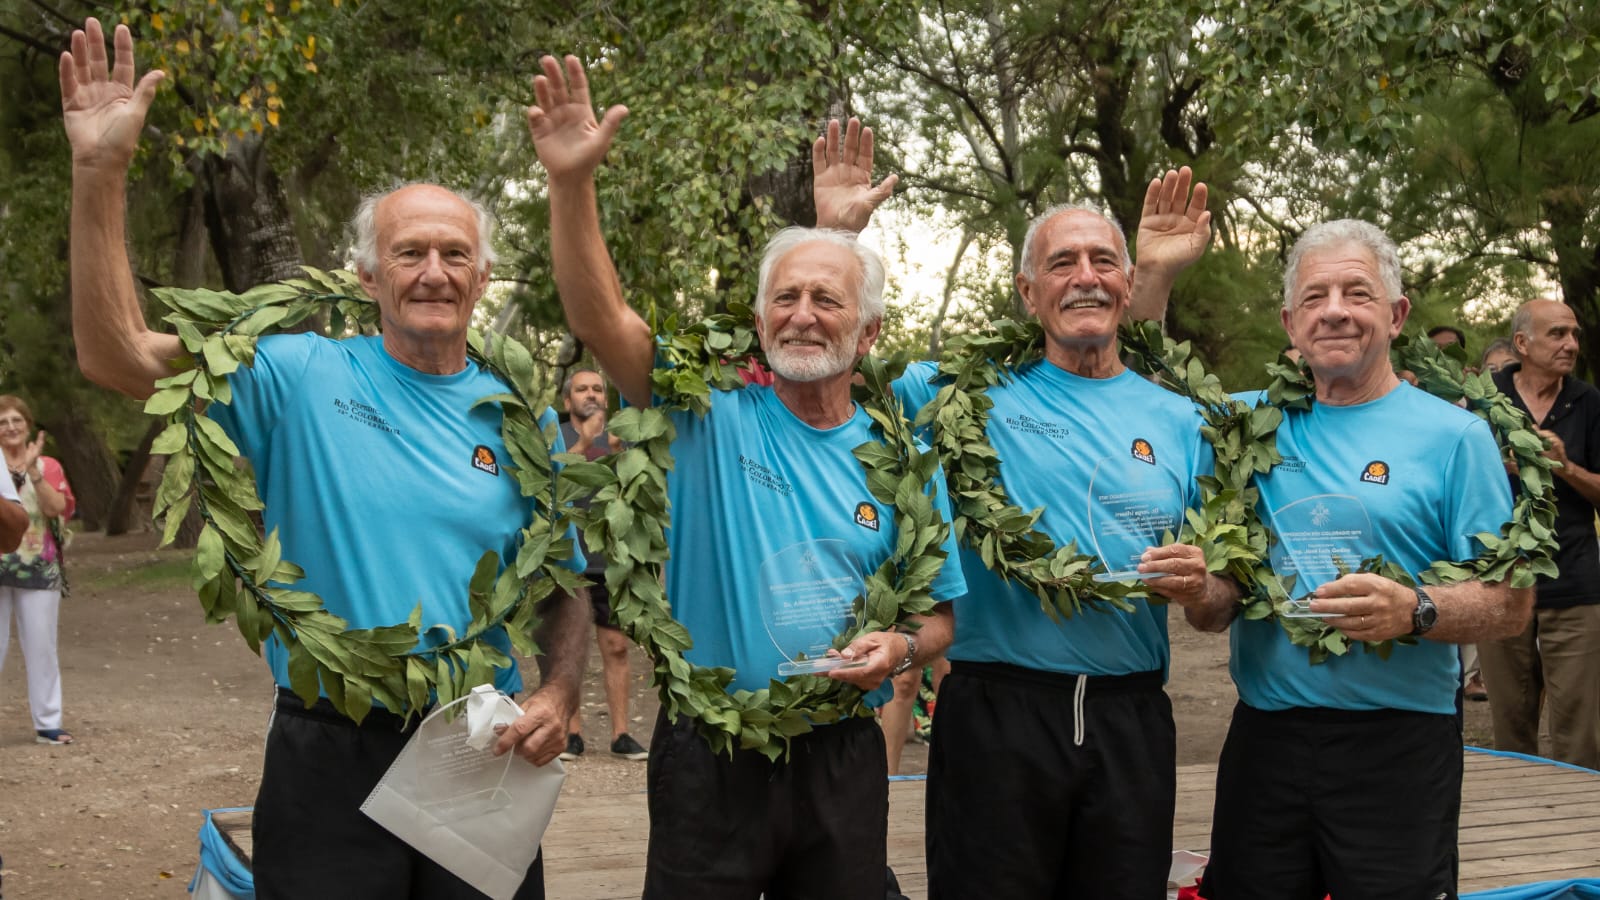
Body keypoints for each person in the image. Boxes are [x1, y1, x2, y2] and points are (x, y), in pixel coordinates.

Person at [61, 20, 588, 899]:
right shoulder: (298, 373)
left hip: (476, 743)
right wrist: (98, 174)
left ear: (482, 279)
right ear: (365, 276)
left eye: (455, 253)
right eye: (408, 251)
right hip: (328, 745)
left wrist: (563, 692)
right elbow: (115, 353)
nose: (433, 271)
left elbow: (563, 581)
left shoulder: (520, 418)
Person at [528, 56, 967, 899]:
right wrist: (571, 183)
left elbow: (938, 613)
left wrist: (903, 648)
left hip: (842, 751)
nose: (804, 314)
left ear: (868, 334)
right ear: (760, 321)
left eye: (827, 300)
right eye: (786, 299)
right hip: (710, 756)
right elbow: (598, 315)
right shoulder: (705, 411)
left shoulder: (901, 451)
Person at [816, 116, 1224, 897]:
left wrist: (1203, 586)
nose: (1085, 276)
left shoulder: (1182, 418)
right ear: (1026, 291)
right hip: (995, 713)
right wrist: (833, 237)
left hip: (1130, 717)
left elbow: (1219, 603)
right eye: (1061, 262)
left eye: (1105, 261)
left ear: (1129, 285)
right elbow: (827, 375)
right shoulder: (954, 393)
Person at [1182, 220, 1531, 899]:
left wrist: (1416, 609)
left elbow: (1511, 604)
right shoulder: (1240, 426)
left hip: (1399, 747)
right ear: (1290, 321)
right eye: (1315, 297)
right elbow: (1218, 607)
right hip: (1267, 741)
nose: (1335, 309)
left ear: (1396, 315)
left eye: (1356, 292)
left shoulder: (1457, 436)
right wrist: (1199, 589)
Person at [1480, 300, 1600, 770]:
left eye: (1573, 334)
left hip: (1574, 580)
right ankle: (1520, 824)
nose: (1571, 343)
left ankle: (1583, 832)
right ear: (1523, 344)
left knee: (1581, 729)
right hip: (1500, 578)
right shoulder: (1484, 400)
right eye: (1557, 334)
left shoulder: (1588, 402)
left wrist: (1565, 467)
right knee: (1509, 723)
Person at [557, 367, 648, 762]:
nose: (590, 394)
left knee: (616, 646)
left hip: (611, 559)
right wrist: (585, 442)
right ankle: (571, 734)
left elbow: (639, 492)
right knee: (568, 648)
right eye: (582, 389)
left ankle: (622, 734)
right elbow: (548, 483)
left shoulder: (622, 435)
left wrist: (615, 450)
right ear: (567, 400)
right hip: (566, 560)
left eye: (597, 388)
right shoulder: (555, 434)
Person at [0, 397, 77, 746]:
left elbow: (56, 507)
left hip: (39, 567)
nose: (10, 426)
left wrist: (32, 472)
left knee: (42, 646)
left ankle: (48, 722)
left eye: (16, 420)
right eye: (2, 422)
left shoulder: (48, 465)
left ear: (28, 425)